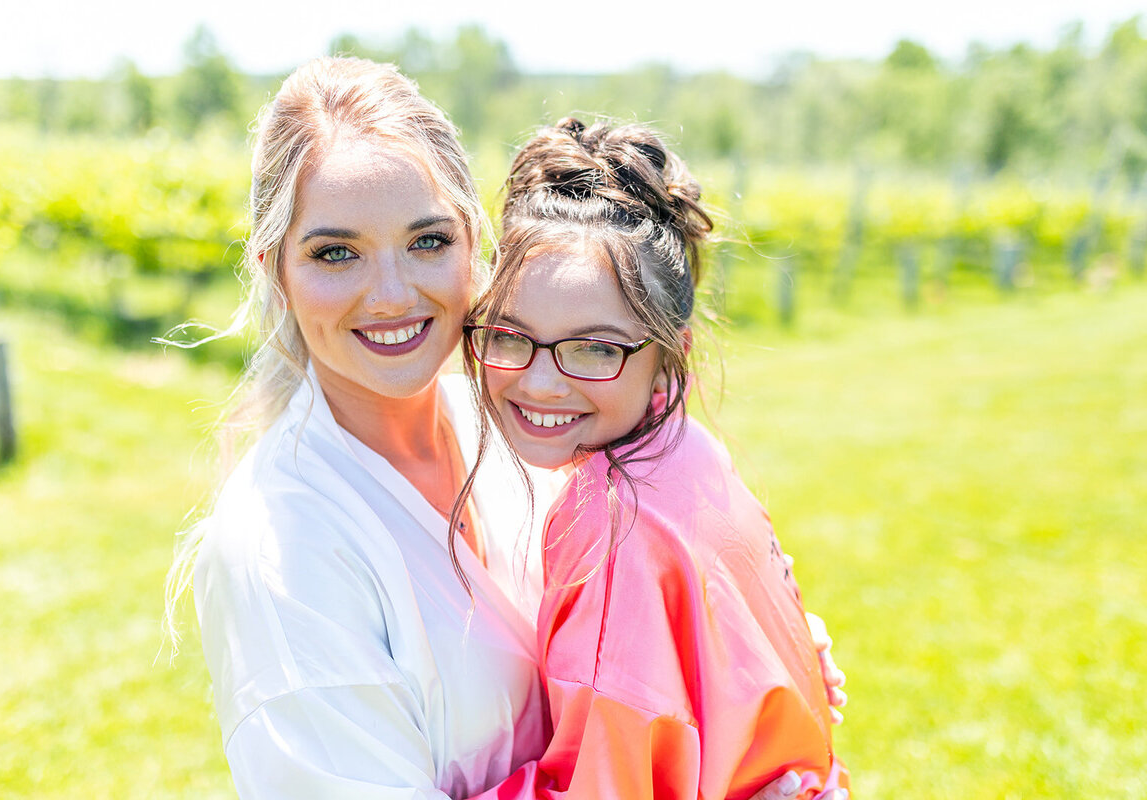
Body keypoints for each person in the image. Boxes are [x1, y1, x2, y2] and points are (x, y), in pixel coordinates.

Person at [167, 56, 843, 799]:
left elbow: (626, 630)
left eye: (428, 240)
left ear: (475, 244)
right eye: (336, 252)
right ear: (276, 273)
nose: (391, 294)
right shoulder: (283, 551)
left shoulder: (520, 433)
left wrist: (727, 672)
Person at [457, 118, 848, 799]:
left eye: (595, 348)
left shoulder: (611, 519)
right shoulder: (689, 453)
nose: (541, 381)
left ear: (671, 354)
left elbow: (597, 785)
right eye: (510, 334)